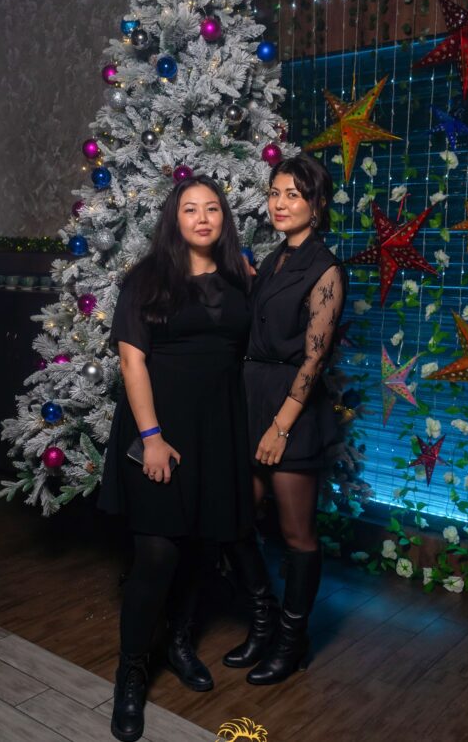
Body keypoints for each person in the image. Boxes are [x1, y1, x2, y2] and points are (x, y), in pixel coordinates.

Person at [98, 175, 253, 742]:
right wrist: (152, 437)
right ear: (175, 219)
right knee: (158, 552)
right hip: (159, 430)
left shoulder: (239, 278)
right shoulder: (146, 280)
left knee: (201, 546)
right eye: (190, 209)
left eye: (212, 208)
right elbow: (132, 363)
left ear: (224, 219)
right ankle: (131, 672)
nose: (202, 218)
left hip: (219, 432)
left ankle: (181, 643)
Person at [222, 153, 346, 685]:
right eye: (275, 193)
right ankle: (263, 619)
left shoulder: (325, 268)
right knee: (233, 520)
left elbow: (315, 360)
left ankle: (293, 642)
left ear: (316, 204)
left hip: (291, 407)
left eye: (293, 195)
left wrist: (281, 426)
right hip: (251, 397)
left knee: (297, 534)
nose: (279, 203)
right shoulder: (272, 260)